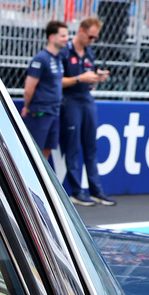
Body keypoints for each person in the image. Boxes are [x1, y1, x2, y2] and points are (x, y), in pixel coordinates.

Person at [59, 17, 114, 206]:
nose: (92, 41)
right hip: (71, 101)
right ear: (81, 30)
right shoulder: (65, 51)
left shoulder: (89, 53)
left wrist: (96, 78)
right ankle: (77, 191)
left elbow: (87, 78)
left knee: (91, 146)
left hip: (87, 100)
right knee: (73, 147)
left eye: (95, 38)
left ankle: (96, 190)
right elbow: (58, 81)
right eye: (91, 37)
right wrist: (80, 78)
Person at [21, 20, 68, 159]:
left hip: (54, 111)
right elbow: (29, 89)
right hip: (40, 112)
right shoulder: (41, 59)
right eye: (63, 36)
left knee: (47, 150)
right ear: (52, 37)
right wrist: (27, 107)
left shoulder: (59, 58)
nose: (67, 39)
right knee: (34, 152)